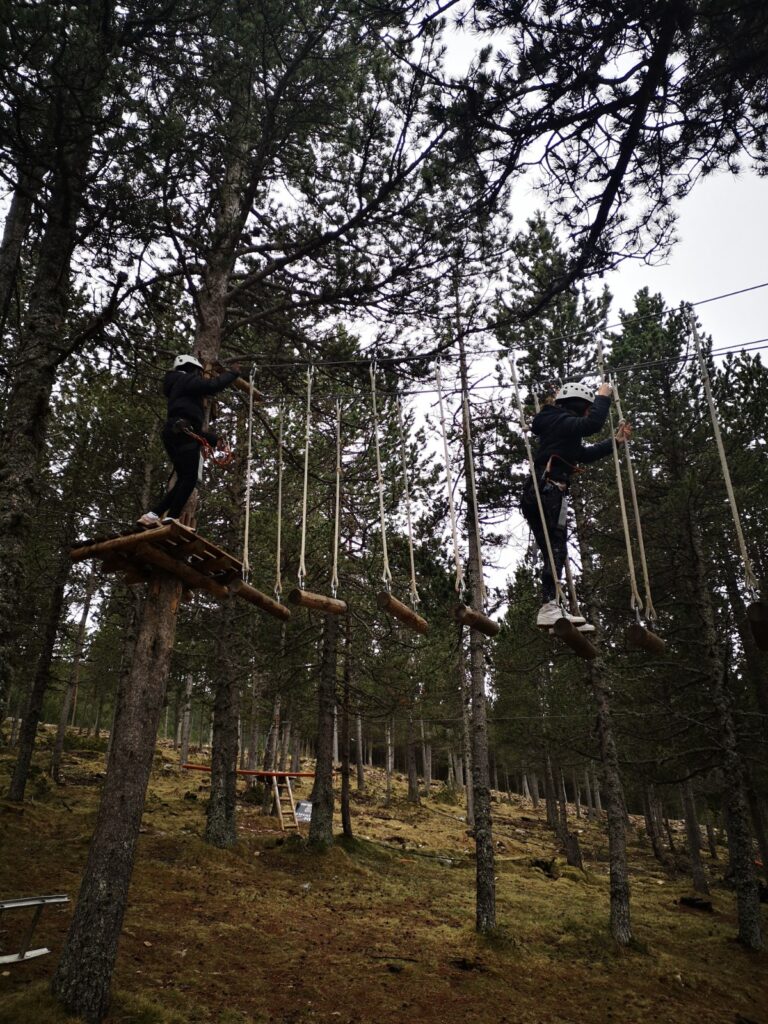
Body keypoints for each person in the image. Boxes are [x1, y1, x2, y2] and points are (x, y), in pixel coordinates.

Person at [521, 380, 632, 630]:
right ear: (579, 405)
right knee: (556, 548)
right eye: (587, 408)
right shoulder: (558, 419)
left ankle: (553, 606)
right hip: (547, 491)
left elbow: (583, 454)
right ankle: (549, 606)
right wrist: (603, 396)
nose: (588, 412)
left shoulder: (559, 428)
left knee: (555, 550)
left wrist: (615, 442)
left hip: (542, 492)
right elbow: (592, 425)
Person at [137, 355, 242, 528]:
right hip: (183, 432)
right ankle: (171, 517)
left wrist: (215, 440)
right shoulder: (184, 379)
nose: (199, 377)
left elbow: (194, 429)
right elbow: (211, 385)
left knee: (184, 479)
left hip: (176, 432)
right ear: (191, 368)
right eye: (198, 373)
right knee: (190, 478)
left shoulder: (178, 387)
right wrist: (232, 373)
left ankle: (153, 514)